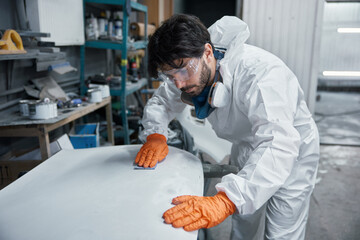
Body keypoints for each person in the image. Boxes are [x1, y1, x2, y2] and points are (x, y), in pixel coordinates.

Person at [135, 14, 319, 240]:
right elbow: (162, 102)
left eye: (182, 72)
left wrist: (225, 200)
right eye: (170, 76)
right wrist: (155, 135)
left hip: (291, 151)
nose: (179, 84)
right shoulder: (185, 68)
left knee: (282, 231)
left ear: (208, 53)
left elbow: (278, 144)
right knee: (243, 223)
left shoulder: (259, 74)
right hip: (246, 145)